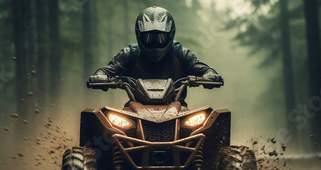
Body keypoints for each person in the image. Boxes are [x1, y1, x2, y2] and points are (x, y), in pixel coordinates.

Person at [88, 6, 223, 107]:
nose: (155, 42)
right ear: (139, 35)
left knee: (209, 124)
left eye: (161, 37)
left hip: (177, 110)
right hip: (135, 110)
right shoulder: (130, 53)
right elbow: (107, 70)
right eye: (149, 38)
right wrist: (100, 77)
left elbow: (201, 68)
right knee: (103, 123)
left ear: (170, 34)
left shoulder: (181, 53)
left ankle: (215, 146)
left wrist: (210, 74)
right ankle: (93, 146)